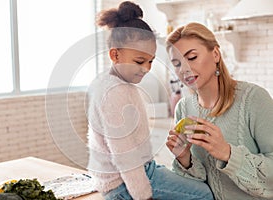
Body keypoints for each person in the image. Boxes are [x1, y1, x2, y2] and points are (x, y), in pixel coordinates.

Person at [86, 2, 213, 200]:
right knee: (205, 195)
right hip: (124, 186)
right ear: (115, 54)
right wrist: (144, 196)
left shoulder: (115, 85)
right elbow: (125, 156)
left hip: (136, 174)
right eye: (139, 61)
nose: (146, 68)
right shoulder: (115, 93)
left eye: (151, 61)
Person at [166, 22, 273, 200]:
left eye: (191, 58)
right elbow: (196, 188)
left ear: (215, 54)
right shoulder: (183, 108)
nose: (183, 69)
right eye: (176, 63)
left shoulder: (254, 99)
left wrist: (227, 153)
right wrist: (185, 160)